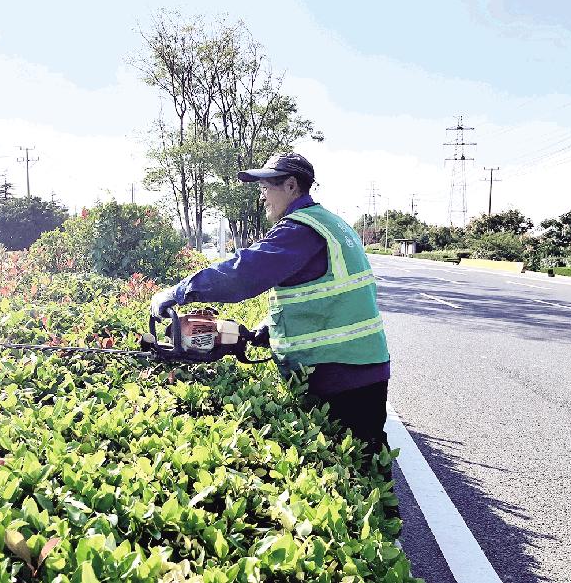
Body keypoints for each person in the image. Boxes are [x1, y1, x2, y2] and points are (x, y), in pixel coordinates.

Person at [151, 152, 392, 469]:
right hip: (357, 365)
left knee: (352, 469)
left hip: (339, 373)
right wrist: (271, 326)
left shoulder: (300, 229)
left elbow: (244, 273)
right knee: (366, 459)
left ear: (291, 185)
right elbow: (321, 292)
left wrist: (179, 292)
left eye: (267, 186)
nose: (261, 195)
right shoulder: (330, 222)